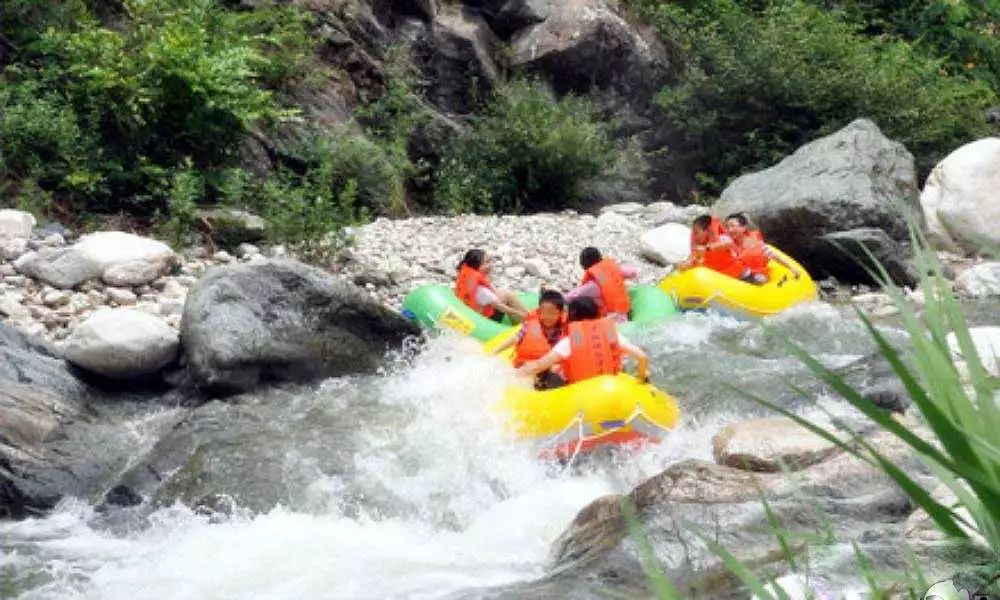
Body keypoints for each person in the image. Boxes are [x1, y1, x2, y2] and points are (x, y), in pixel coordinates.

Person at [516, 297, 649, 386]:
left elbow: (538, 366)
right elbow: (642, 357)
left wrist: (515, 376)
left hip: (582, 394)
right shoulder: (612, 334)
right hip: (610, 385)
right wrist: (641, 377)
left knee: (546, 374)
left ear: (572, 316)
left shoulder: (570, 341)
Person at [492, 290, 567, 389]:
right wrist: (494, 352)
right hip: (527, 365)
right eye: (543, 313)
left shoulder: (565, 328)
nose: (547, 317)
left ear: (561, 313)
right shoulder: (531, 325)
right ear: (539, 311)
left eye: (552, 313)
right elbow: (515, 338)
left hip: (549, 367)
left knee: (556, 373)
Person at [724, 213, 802, 284]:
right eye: (727, 227)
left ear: (744, 227)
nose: (729, 230)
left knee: (760, 279)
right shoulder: (726, 242)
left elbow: (773, 255)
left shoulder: (754, 242)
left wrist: (792, 268)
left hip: (756, 275)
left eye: (732, 226)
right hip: (737, 275)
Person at [455, 249, 528, 323]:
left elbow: (491, 289)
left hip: (472, 311)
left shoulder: (467, 273)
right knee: (509, 296)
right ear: (477, 266)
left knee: (504, 293)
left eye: (489, 261)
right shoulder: (482, 290)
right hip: (484, 320)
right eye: (486, 262)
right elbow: (500, 306)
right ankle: (527, 321)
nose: (490, 265)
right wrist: (520, 314)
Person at [566, 247, 636, 323]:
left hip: (611, 319)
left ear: (584, 265)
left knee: (580, 303)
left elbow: (574, 294)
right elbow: (633, 272)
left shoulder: (593, 286)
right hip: (624, 312)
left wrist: (560, 299)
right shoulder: (614, 269)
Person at [678, 215, 748, 280]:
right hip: (722, 280)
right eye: (693, 233)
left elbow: (729, 244)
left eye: (696, 232)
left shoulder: (723, 239)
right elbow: (691, 261)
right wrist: (686, 264)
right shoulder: (698, 249)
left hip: (742, 277)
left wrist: (706, 249)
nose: (695, 237)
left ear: (708, 231)